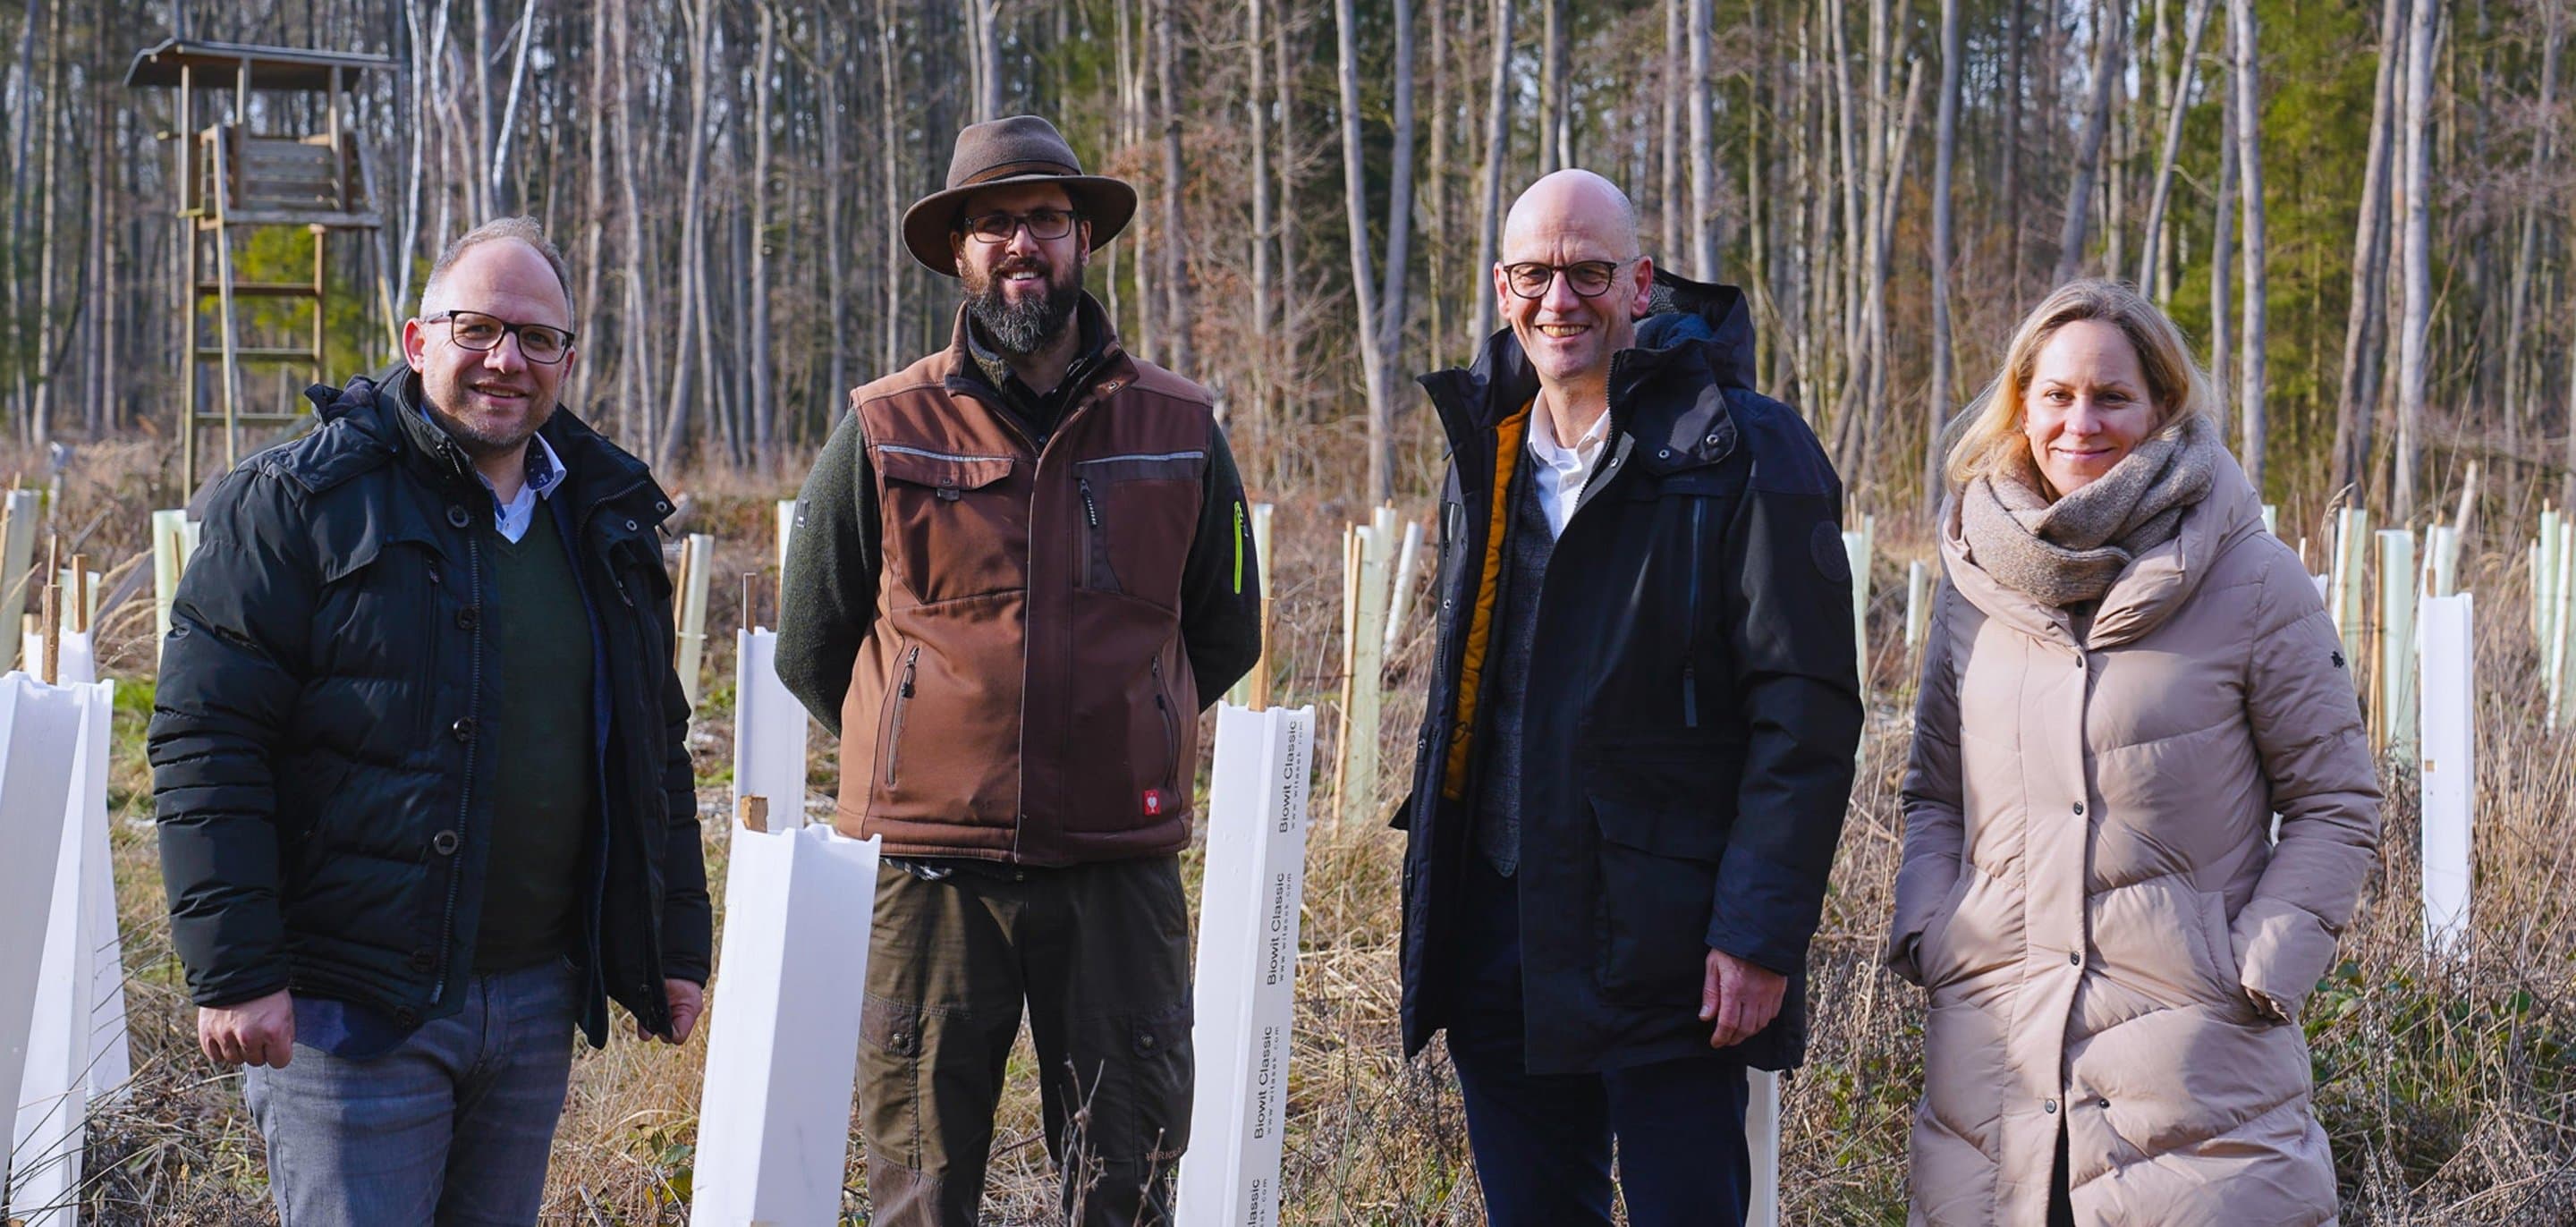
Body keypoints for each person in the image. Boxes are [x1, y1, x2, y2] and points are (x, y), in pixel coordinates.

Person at [148, 216, 711, 1225]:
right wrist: (236, 971)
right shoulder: (298, 500)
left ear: (567, 358)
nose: (506, 359)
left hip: (533, 1000)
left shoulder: (606, 516)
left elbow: (650, 744)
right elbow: (208, 740)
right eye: (477, 328)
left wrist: (672, 944)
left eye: (537, 338)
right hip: (349, 1010)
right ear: (417, 342)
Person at [775, 114, 1262, 1227]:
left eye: (1044, 217)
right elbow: (813, 640)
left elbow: (1224, 629)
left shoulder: (1179, 425)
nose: (1020, 244)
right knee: (919, 1190)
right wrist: (926, 749)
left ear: (1083, 237)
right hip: (931, 884)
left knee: (1124, 1179)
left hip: (1117, 873)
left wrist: (1129, 728)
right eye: (993, 222)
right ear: (959, 251)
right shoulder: (883, 427)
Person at [1394, 169, 1862, 1227]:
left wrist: (1758, 933)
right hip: (1499, 935)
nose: (1559, 300)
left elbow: (1807, 716)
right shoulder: (1486, 449)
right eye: (1533, 275)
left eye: (1589, 273)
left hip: (1672, 949)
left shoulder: (1744, 448)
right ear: (1502, 286)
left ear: (1640, 284)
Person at [1887, 279, 2380, 1225]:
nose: (2082, 422)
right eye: (2057, 394)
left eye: (2112, 397)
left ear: (2161, 407)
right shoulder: (1972, 582)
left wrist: (2258, 967)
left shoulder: (2254, 577)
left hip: (2200, 1077)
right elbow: (1935, 794)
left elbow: (2337, 800)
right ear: (2021, 405)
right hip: (1995, 1066)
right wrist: (1935, 932)